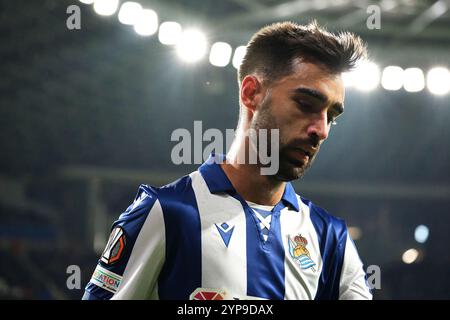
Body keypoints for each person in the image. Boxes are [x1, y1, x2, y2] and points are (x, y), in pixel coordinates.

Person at [83, 21, 372, 300]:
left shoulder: (329, 238)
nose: (321, 130)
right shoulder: (164, 214)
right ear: (251, 93)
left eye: (331, 117)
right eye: (306, 105)